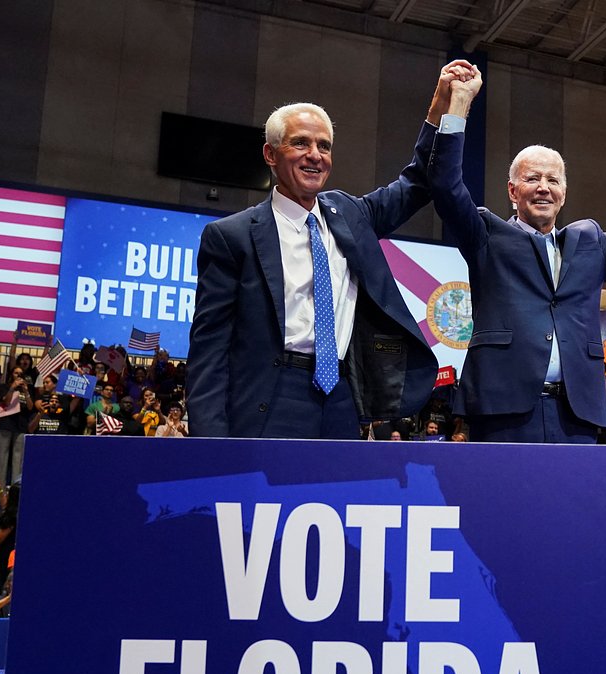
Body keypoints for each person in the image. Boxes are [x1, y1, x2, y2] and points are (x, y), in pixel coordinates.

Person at [185, 65, 475, 440]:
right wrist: (209, 441)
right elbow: (210, 348)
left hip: (342, 397)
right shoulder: (232, 236)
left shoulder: (351, 215)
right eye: (301, 143)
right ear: (271, 155)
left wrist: (442, 105)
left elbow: (417, 180)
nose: (315, 155)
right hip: (270, 398)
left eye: (324, 145)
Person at [429, 65, 606, 443]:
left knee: (573, 503)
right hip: (503, 412)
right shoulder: (487, 234)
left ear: (564, 194)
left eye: (553, 180)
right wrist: (460, 104)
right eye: (532, 179)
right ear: (512, 191)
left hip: (576, 414)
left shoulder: (591, 242)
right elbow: (445, 185)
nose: (543, 188)